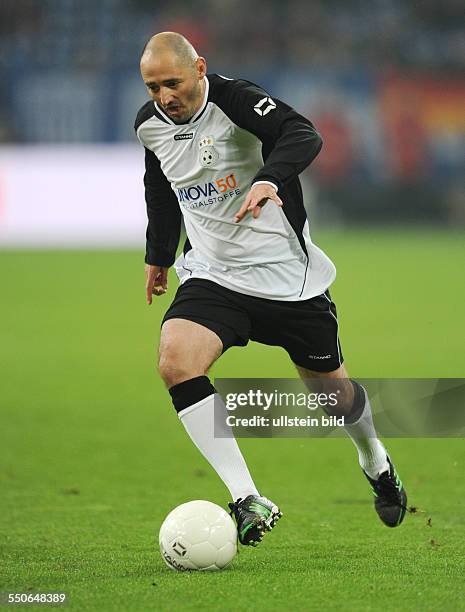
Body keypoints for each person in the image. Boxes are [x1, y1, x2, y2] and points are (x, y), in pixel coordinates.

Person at [135, 32, 408, 546]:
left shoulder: (236, 100)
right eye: (153, 87)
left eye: (172, 82)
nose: (164, 97)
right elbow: (161, 185)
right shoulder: (150, 127)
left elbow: (303, 133)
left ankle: (374, 457)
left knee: (335, 397)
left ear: (199, 69)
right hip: (214, 275)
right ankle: (245, 497)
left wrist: (269, 179)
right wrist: (158, 254)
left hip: (287, 279)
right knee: (176, 362)